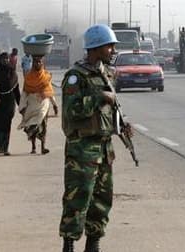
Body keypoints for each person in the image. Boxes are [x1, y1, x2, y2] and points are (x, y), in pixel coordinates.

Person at [59, 24, 133, 252]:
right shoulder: (75, 76)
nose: (112, 50)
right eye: (109, 46)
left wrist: (122, 125)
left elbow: (110, 111)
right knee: (77, 199)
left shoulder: (106, 73)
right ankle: (69, 243)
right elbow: (72, 110)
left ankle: (94, 243)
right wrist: (99, 97)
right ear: (96, 47)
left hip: (103, 148)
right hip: (82, 149)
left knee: (102, 200)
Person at [17, 55, 58, 155]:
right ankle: (33, 146)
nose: (38, 64)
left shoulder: (46, 76)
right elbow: (25, 93)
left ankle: (43, 147)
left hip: (44, 104)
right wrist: (21, 107)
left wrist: (55, 105)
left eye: (40, 62)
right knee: (32, 125)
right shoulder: (29, 78)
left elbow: (50, 91)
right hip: (32, 103)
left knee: (43, 125)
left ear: (42, 63)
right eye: (36, 62)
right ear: (33, 64)